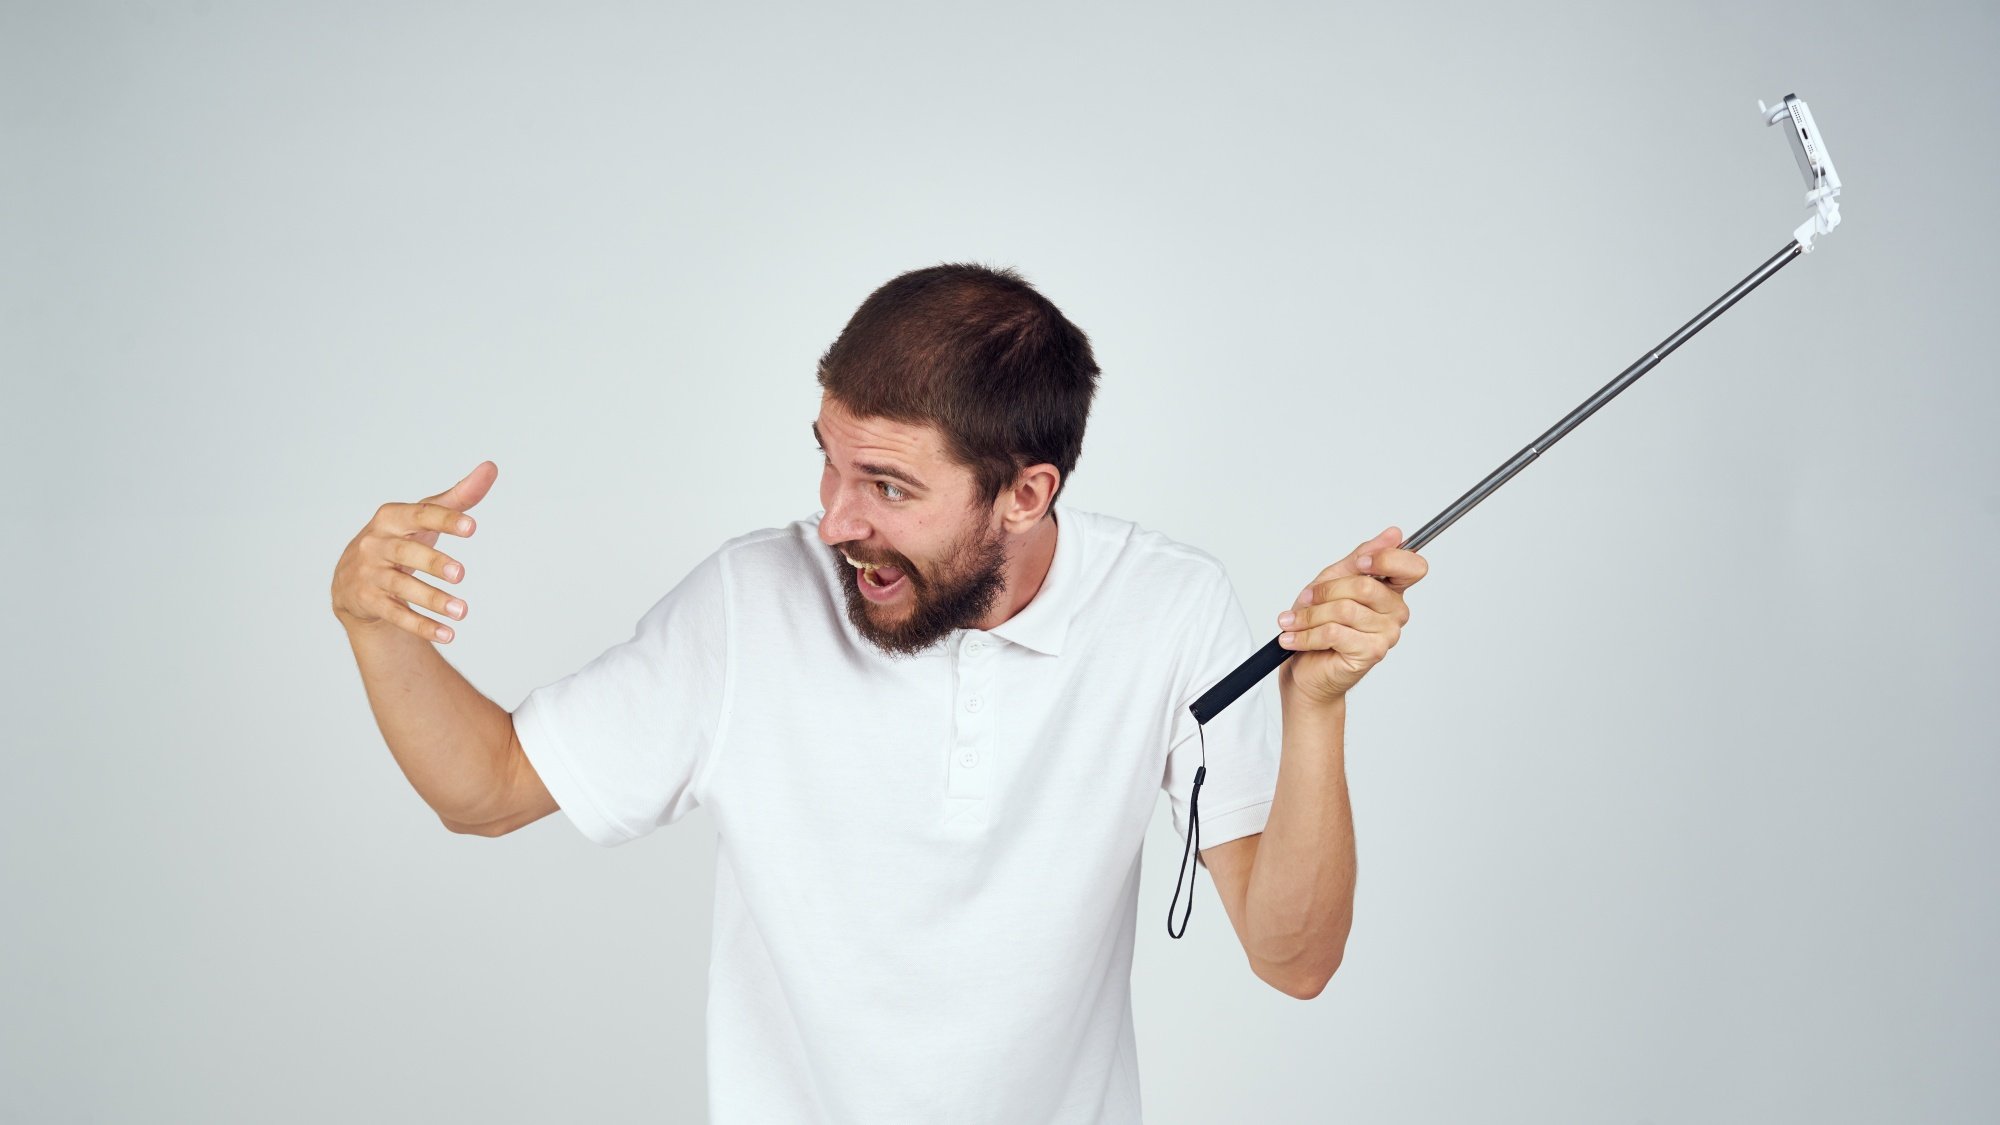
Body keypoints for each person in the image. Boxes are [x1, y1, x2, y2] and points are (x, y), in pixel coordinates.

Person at [329, 262, 1427, 1123]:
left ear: (1024, 494)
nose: (834, 520)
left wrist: (1314, 707)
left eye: (888, 486)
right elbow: (489, 789)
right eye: (830, 462)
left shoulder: (1166, 608)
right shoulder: (750, 604)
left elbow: (1294, 960)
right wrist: (378, 632)